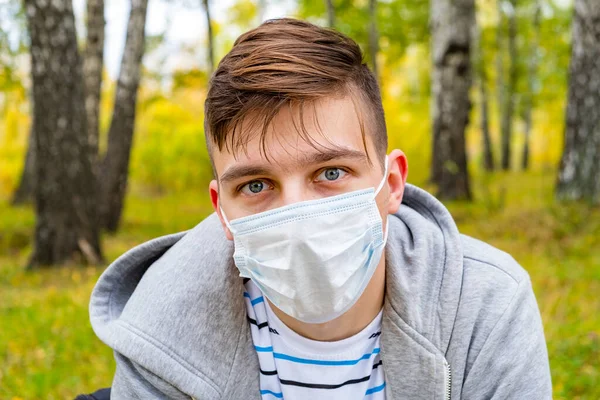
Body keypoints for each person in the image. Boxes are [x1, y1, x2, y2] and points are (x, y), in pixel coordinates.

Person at [89, 18, 552, 399]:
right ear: (222, 212)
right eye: (256, 184)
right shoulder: (160, 327)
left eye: (330, 173)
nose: (298, 215)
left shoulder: (486, 305)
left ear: (391, 184)